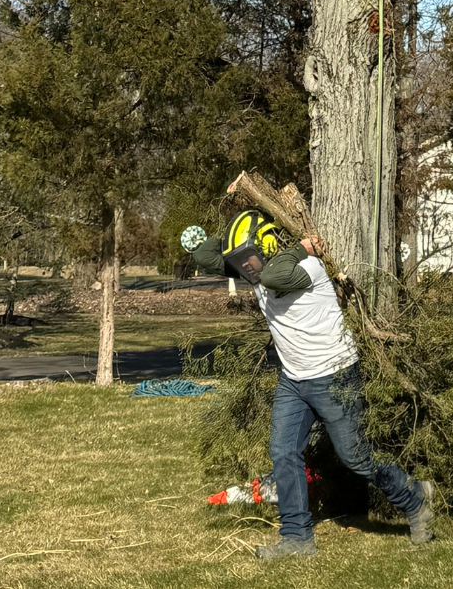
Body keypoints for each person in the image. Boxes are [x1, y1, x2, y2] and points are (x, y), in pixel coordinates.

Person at [183, 210, 435, 560]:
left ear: (268, 247)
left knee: (357, 458)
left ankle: (415, 497)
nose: (245, 269)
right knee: (283, 453)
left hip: (335, 375)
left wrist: (303, 248)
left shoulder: (305, 269)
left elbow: (274, 273)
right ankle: (297, 538)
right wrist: (235, 231)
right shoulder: (259, 269)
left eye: (248, 258)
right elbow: (206, 256)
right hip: (293, 380)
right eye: (241, 262)